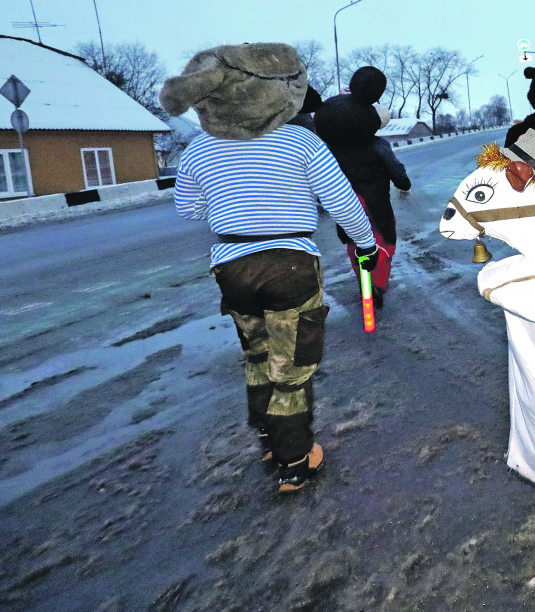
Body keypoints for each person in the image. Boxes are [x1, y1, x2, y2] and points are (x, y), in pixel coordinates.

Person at [161, 43, 380, 494]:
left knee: (257, 356)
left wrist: (229, 201)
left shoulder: (199, 149)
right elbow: (341, 202)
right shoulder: (300, 141)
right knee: (292, 367)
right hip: (290, 267)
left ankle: (266, 438)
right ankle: (295, 461)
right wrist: (366, 245)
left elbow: (187, 209)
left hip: (232, 267)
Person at [313, 66, 409, 305]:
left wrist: (318, 198)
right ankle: (377, 282)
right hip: (375, 203)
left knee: (355, 243)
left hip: (344, 204)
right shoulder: (377, 144)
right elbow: (394, 168)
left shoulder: (327, 150)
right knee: (383, 240)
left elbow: (318, 176)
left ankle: (363, 279)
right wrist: (403, 184)